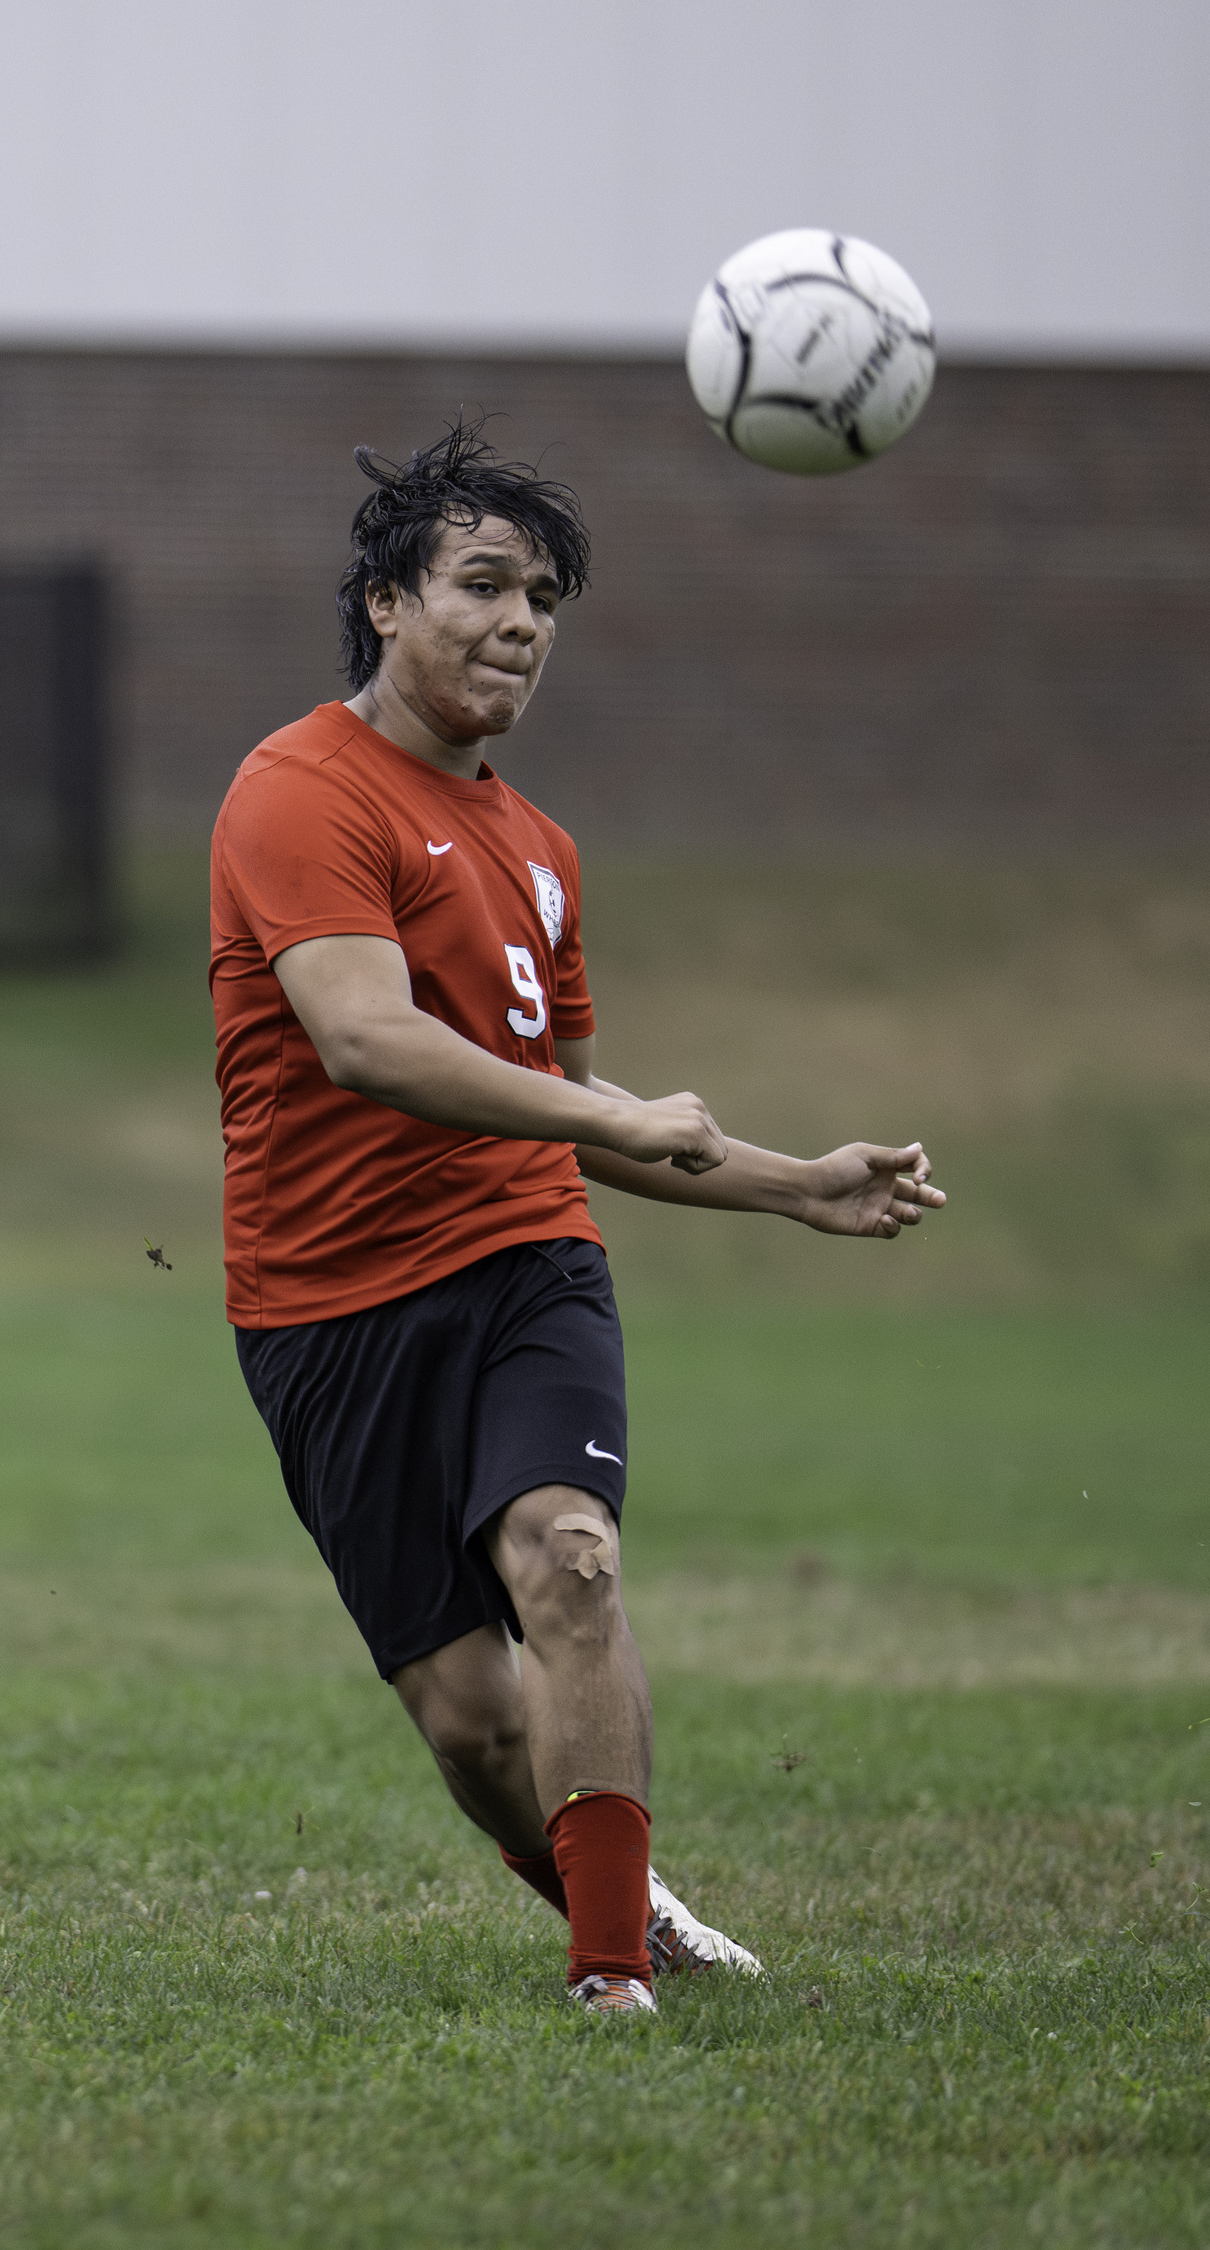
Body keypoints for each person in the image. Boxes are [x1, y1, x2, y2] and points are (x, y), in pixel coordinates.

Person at [210, 419, 945, 2017]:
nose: (523, 620)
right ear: (387, 602)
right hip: (324, 1305)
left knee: (574, 1559)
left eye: (546, 594)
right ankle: (623, 1895)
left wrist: (795, 1182)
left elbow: (579, 1122)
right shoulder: (295, 790)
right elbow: (367, 1038)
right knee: (472, 1717)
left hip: (527, 1261)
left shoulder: (541, 852)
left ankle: (613, 1973)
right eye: (483, 582)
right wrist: (607, 1110)